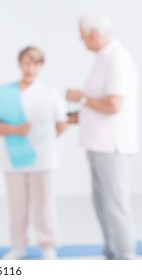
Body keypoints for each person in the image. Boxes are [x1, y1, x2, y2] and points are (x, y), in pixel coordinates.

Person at [66, 11, 138, 260]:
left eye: (82, 37)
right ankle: (112, 252)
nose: (82, 41)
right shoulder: (103, 58)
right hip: (97, 145)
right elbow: (99, 105)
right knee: (103, 206)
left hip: (112, 146)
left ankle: (127, 259)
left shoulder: (118, 58)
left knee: (116, 207)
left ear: (93, 34)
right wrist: (75, 117)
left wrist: (81, 98)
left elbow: (113, 105)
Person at [0, 46, 67, 260]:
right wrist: (14, 130)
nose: (30, 68)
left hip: (44, 158)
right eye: (27, 63)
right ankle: (18, 245)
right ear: (20, 64)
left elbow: (61, 123)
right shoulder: (5, 94)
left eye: (35, 64)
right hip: (12, 158)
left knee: (45, 205)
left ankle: (47, 245)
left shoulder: (49, 93)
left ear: (41, 66)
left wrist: (44, 140)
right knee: (17, 206)